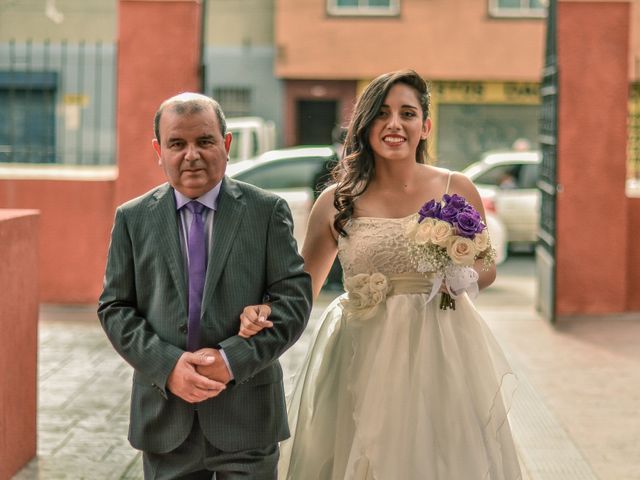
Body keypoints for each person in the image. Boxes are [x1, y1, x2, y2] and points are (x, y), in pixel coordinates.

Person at [241, 70, 521, 479]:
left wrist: (457, 275)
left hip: (441, 345)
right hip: (362, 347)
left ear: (424, 126)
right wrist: (262, 311)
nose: (394, 124)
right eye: (382, 114)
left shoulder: (455, 186)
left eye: (407, 113)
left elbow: (486, 265)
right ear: (365, 125)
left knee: (439, 453)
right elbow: (301, 287)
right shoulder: (336, 201)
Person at [98, 92, 312, 480]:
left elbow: (293, 301)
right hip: (166, 417)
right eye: (177, 144)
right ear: (158, 150)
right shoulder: (132, 219)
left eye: (205, 141)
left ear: (226, 145)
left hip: (247, 415)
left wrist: (230, 361)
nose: (191, 154)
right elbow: (115, 308)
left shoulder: (266, 212)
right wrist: (169, 366)